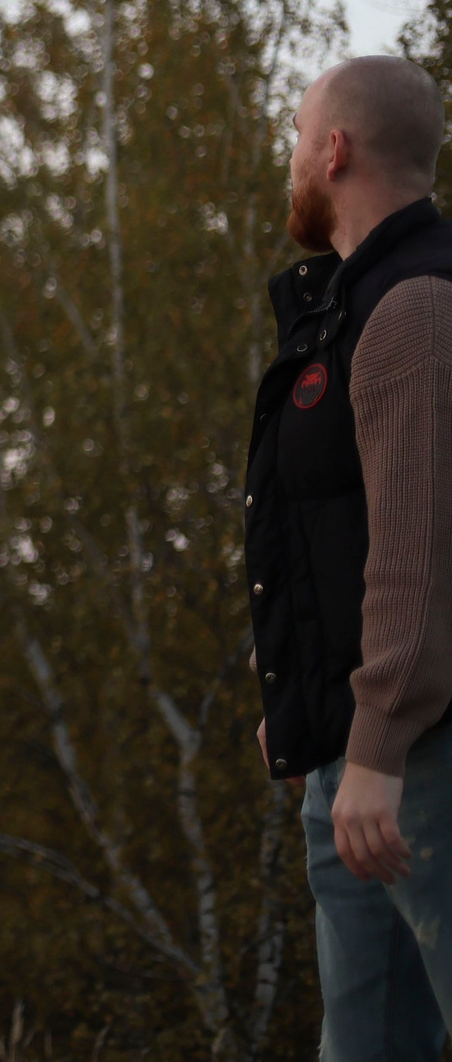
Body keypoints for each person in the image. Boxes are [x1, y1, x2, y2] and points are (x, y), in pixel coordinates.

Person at [245, 55, 452, 1059]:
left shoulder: (415, 307)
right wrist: (300, 697)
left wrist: (376, 748)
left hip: (418, 763)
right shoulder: (348, 308)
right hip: (356, 761)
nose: (289, 159)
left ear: (333, 150)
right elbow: (334, 530)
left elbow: (419, 554)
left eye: (295, 137)